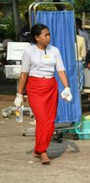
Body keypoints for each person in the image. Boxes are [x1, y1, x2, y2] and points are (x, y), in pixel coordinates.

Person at [14, 24, 73, 165]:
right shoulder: (29, 52)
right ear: (36, 37)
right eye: (45, 35)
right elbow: (23, 74)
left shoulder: (55, 50)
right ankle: (43, 152)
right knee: (42, 120)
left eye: (49, 34)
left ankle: (37, 150)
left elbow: (60, 70)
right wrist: (19, 95)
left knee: (50, 121)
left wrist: (67, 88)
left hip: (51, 87)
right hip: (35, 87)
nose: (48, 37)